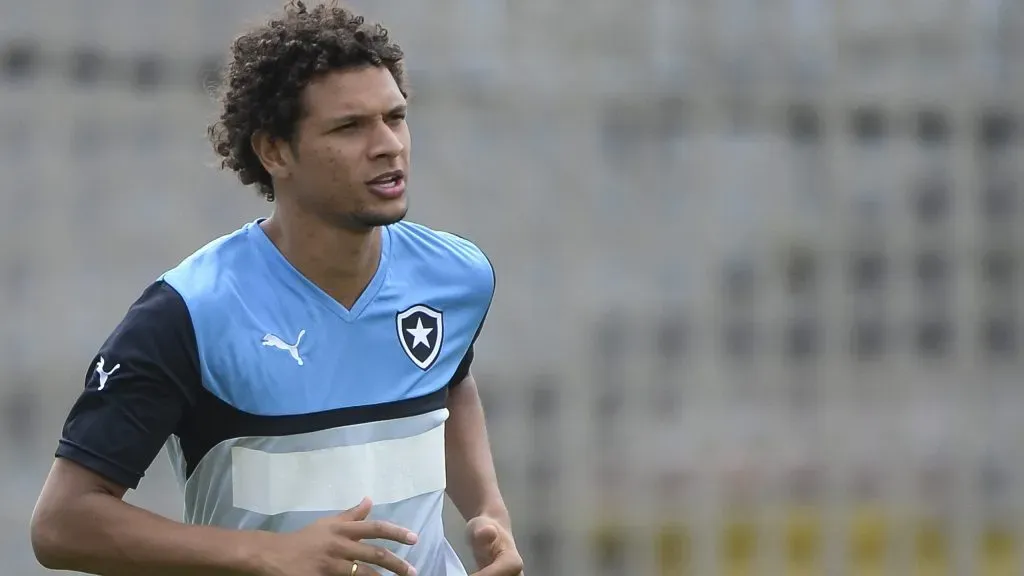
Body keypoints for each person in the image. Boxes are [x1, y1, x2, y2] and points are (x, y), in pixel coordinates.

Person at [29, 2, 524, 575]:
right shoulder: (191, 312)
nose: (388, 144)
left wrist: (488, 511)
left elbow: (451, 379)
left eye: (395, 117)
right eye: (350, 126)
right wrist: (268, 554)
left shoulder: (457, 275)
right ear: (275, 151)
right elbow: (62, 523)